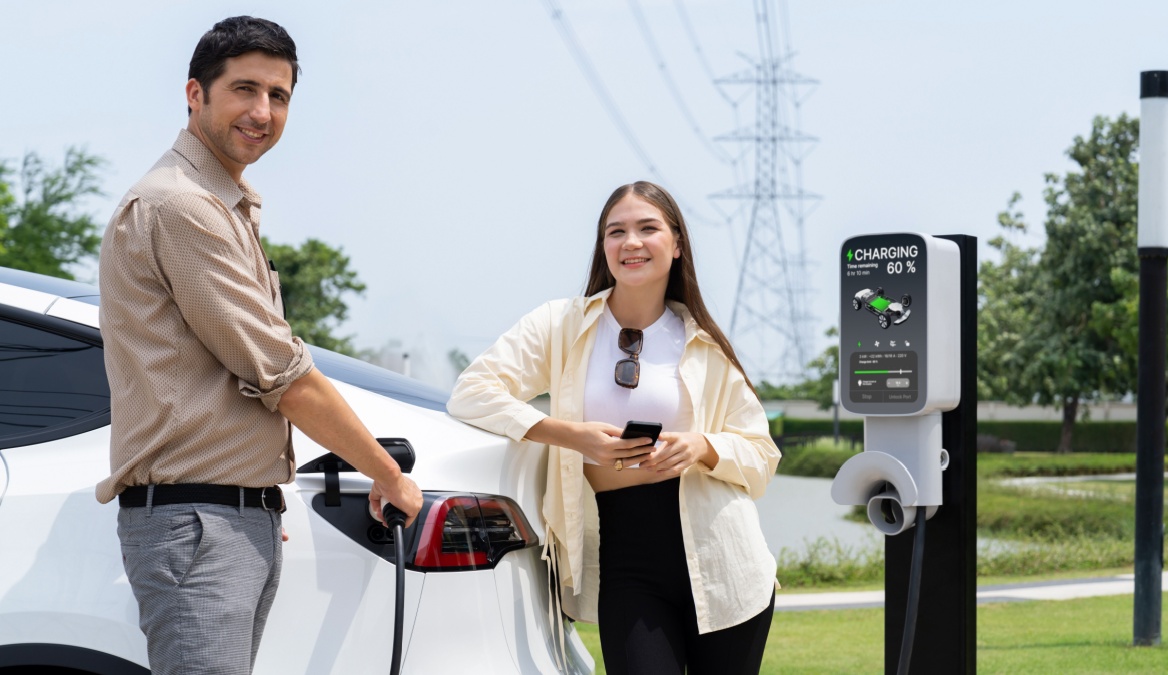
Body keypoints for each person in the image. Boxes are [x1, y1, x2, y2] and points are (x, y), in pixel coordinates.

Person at [96, 16, 422, 675]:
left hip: (225, 515)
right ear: (195, 94)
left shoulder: (224, 205)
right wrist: (388, 475)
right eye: (244, 89)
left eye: (279, 96)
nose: (262, 111)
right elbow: (284, 375)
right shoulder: (180, 207)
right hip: (198, 521)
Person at [447, 181, 780, 674]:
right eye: (615, 231)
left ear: (677, 243)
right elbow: (472, 392)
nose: (631, 243)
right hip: (623, 560)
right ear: (603, 247)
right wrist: (569, 435)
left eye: (648, 228)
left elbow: (761, 455)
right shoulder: (559, 325)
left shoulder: (705, 344)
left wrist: (702, 446)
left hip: (723, 562)